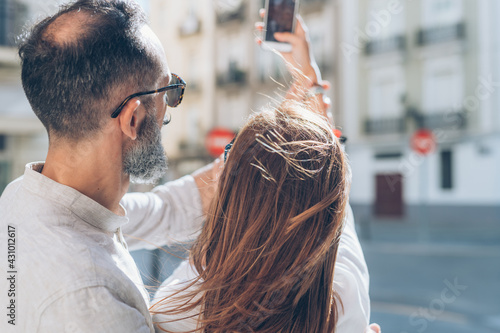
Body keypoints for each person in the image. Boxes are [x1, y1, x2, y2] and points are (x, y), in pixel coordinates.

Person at [149, 17, 378, 333]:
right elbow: (329, 188)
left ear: (232, 193)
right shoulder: (340, 298)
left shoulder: (180, 305)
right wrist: (309, 75)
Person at [0, 1, 217, 331]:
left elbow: (166, 209)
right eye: (169, 92)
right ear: (133, 118)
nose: (168, 113)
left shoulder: (21, 198)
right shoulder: (91, 303)